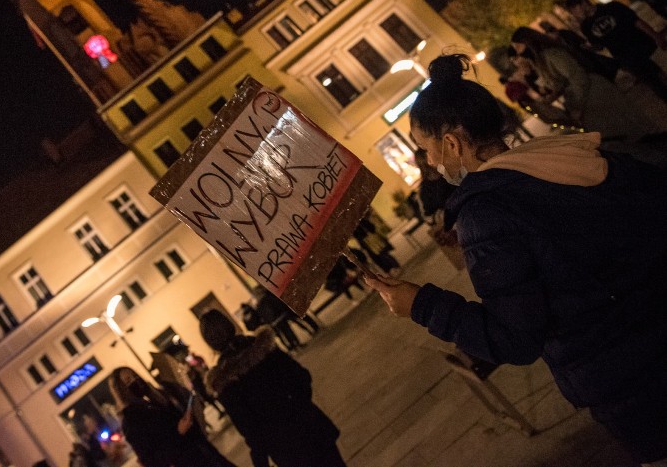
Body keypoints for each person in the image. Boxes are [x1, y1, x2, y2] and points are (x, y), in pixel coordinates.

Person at [363, 53, 667, 466]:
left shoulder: (487, 215)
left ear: (451, 142)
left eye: (427, 149)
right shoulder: (568, 157)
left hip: (630, 385)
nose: (431, 163)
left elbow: (514, 338)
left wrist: (421, 304)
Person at [199, 309, 345, 467]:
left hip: (285, 450)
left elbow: (251, 432)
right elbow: (302, 377)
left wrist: (260, 460)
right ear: (229, 324)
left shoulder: (224, 382)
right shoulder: (263, 346)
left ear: (209, 341)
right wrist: (299, 406)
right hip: (312, 428)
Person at [509, 26, 667, 160]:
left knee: (633, 134)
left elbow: (577, 77)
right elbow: (560, 82)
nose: (517, 52)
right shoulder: (542, 59)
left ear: (527, 42)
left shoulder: (551, 54)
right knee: (626, 138)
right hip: (589, 99)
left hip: (595, 95)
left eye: (518, 47)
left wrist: (577, 107)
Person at [109, 366, 235, 467]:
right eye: (128, 381)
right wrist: (178, 433)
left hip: (204, 452)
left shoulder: (156, 400)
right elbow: (151, 460)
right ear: (121, 390)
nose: (135, 380)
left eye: (135, 376)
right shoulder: (131, 420)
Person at [564, 0, 667, 97]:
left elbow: (636, 21)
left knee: (658, 74)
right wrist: (591, 48)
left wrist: (655, 36)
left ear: (583, 3)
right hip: (624, 57)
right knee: (654, 84)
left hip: (640, 46)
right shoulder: (586, 26)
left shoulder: (612, 7)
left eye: (574, 9)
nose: (574, 14)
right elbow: (600, 45)